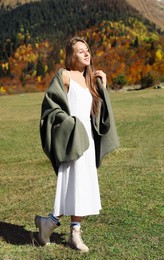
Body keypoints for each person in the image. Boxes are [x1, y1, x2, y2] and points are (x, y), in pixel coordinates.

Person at [34, 36, 119, 253]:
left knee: (83, 186)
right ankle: (50, 223)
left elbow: (97, 115)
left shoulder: (91, 80)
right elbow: (50, 106)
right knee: (70, 184)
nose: (86, 53)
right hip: (71, 138)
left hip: (87, 140)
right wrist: (68, 123)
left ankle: (74, 232)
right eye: (81, 51)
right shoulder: (65, 76)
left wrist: (104, 87)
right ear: (72, 55)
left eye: (88, 49)